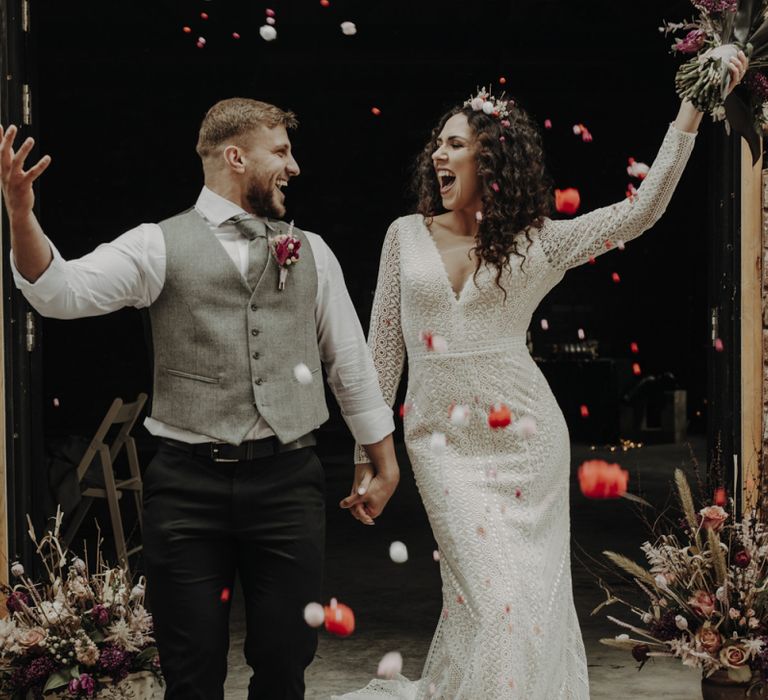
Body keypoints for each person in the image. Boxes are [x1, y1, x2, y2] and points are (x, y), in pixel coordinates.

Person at [336, 50, 749, 699]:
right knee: (488, 593)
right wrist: (369, 456)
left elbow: (638, 214)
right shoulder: (403, 236)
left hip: (524, 442)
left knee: (519, 604)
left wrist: (692, 105)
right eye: (436, 145)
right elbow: (381, 354)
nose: (438, 156)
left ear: (490, 158)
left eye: (455, 144)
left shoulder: (539, 242)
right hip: (441, 446)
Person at [0, 97, 401, 700]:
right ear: (236, 156)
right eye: (281, 152)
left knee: (286, 660)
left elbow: (348, 361)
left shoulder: (313, 250)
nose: (293, 168)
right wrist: (21, 215)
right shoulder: (157, 245)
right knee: (190, 669)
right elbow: (59, 292)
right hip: (187, 490)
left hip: (288, 481)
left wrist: (382, 455)